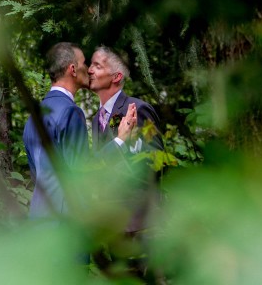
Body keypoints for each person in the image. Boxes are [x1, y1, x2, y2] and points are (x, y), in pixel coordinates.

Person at [23, 42, 137, 219]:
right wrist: (120, 140)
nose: (89, 69)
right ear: (73, 69)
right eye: (84, 63)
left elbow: (37, 174)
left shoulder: (34, 117)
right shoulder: (71, 112)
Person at [87, 45, 164, 281]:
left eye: (97, 66)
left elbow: (156, 162)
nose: (89, 70)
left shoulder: (138, 110)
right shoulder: (96, 119)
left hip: (140, 226)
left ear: (116, 76)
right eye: (90, 64)